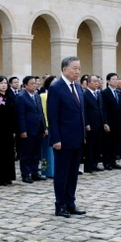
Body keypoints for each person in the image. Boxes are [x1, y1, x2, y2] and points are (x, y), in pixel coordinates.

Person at [47, 56, 87, 218]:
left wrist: (83, 134)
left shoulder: (77, 86)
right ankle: (60, 204)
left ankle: (70, 202)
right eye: (74, 68)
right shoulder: (56, 88)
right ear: (64, 69)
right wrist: (56, 138)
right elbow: (53, 115)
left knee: (73, 173)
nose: (78, 71)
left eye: (79, 68)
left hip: (77, 137)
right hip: (63, 139)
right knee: (62, 173)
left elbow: (81, 112)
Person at [16, 75, 46, 183]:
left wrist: (44, 127)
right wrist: (23, 130)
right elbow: (20, 115)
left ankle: (35, 172)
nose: (34, 85)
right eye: (32, 84)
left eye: (35, 83)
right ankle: (25, 174)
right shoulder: (21, 97)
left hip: (38, 129)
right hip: (28, 129)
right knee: (26, 153)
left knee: (36, 153)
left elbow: (41, 113)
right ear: (25, 85)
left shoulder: (37, 96)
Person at [101, 73, 121, 170]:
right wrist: (105, 122)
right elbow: (103, 109)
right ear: (108, 81)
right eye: (113, 79)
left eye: (117, 79)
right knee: (108, 143)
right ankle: (107, 162)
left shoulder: (119, 93)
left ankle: (113, 161)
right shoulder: (104, 93)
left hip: (118, 122)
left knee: (116, 143)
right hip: (109, 122)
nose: (116, 81)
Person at [82, 75, 104, 173]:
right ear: (88, 83)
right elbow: (84, 111)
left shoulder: (98, 94)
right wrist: (86, 123)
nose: (96, 83)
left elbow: (102, 109)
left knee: (97, 145)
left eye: (97, 81)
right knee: (89, 146)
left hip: (99, 123)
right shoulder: (85, 94)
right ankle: (88, 166)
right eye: (94, 81)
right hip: (91, 123)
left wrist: (104, 122)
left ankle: (95, 164)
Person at [39, 75, 55, 178]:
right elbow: (43, 112)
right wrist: (45, 126)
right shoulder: (43, 96)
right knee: (46, 151)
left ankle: (55, 169)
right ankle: (46, 169)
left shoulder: (58, 95)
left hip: (56, 126)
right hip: (47, 126)